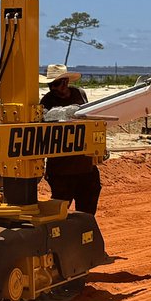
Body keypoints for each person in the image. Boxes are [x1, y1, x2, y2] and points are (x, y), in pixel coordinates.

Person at [40, 64, 101, 214]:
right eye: (50, 85)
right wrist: (73, 111)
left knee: (87, 213)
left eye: (56, 84)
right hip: (61, 170)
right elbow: (46, 118)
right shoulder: (46, 101)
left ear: (66, 82)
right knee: (59, 213)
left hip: (85, 166)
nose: (53, 88)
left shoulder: (79, 94)